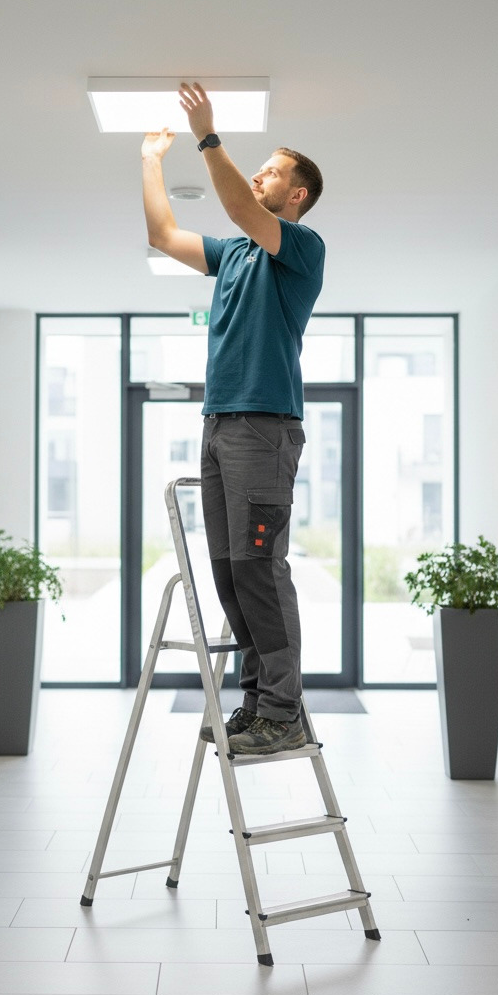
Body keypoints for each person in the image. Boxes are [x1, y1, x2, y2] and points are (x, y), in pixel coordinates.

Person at [141, 82, 325, 755]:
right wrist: (149, 160)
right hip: (218, 424)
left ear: (296, 193)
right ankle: (255, 702)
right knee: (227, 570)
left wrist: (207, 135)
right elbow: (161, 234)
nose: (260, 176)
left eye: (272, 171)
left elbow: (239, 207)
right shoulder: (236, 256)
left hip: (262, 425)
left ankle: (283, 712)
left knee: (258, 565)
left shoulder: (300, 248)